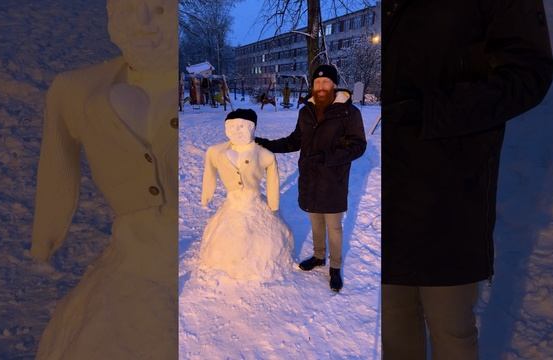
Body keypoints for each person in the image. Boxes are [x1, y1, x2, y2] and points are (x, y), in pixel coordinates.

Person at [381, 0, 553, 358]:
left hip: (449, 189)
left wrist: (431, 113)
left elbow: (530, 72)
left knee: (450, 329)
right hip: (388, 194)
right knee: (394, 328)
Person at [30, 0, 178, 358]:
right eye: (127, 9)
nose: (142, 23)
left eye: (159, 9)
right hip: (132, 270)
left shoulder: (196, 93)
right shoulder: (76, 91)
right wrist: (45, 235)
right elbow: (56, 167)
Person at [256, 64, 367, 292]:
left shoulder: (349, 112)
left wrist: (327, 157)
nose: (321, 87)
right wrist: (267, 144)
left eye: (326, 82)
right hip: (310, 177)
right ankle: (318, 257)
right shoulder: (305, 111)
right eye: (317, 83)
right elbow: (295, 140)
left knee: (333, 226)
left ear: (334, 85)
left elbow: (358, 146)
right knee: (315, 219)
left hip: (333, 178)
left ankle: (335, 267)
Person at [199, 109, 293, 281]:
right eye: (232, 126)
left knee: (262, 244)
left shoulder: (264, 154)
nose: (237, 130)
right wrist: (206, 194)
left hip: (253, 202)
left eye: (242, 126)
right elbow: (209, 174)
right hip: (232, 204)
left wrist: (273, 204)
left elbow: (273, 181)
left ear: (252, 128)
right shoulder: (215, 151)